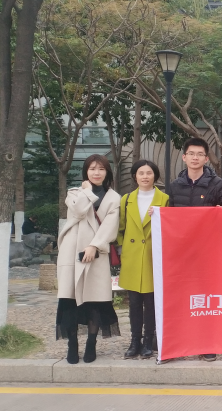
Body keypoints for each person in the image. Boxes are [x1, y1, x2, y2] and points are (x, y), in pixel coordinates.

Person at [55, 155, 121, 364]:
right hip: (72, 251)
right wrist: (87, 192)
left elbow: (110, 226)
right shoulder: (75, 193)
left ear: (107, 172)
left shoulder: (114, 198)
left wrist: (94, 246)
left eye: (101, 169)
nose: (97, 173)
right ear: (86, 172)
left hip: (96, 253)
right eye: (92, 169)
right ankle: (72, 344)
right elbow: (78, 211)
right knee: (70, 300)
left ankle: (91, 343)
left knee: (95, 300)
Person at [168, 137, 222, 362]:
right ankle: (179, 342)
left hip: (207, 252)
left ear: (206, 159)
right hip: (181, 252)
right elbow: (169, 216)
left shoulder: (217, 185)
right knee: (181, 297)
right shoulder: (174, 186)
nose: (195, 158)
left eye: (200, 154)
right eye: (191, 154)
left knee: (205, 299)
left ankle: (206, 343)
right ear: (184, 157)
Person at [117, 160, 169, 360]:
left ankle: (148, 341)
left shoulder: (164, 199)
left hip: (152, 257)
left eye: (149, 173)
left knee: (151, 302)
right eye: (141, 173)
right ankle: (134, 341)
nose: (145, 176)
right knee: (134, 303)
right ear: (135, 176)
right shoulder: (126, 199)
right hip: (132, 256)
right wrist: (123, 249)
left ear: (155, 176)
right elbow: (121, 227)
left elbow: (168, 227)